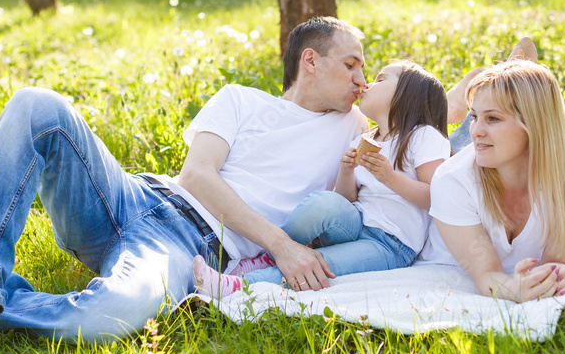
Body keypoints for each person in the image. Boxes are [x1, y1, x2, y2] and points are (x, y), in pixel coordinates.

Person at [0, 17, 368, 354]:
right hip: (135, 198)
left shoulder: (354, 129)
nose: (361, 80)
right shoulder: (240, 99)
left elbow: (418, 123)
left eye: (366, 72)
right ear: (311, 59)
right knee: (37, 104)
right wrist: (283, 247)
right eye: (351, 64)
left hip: (189, 249)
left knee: (113, 313)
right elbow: (199, 176)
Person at [192, 60, 451, 297]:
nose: (367, 83)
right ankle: (272, 254)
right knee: (322, 203)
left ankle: (239, 287)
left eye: (382, 80)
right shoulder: (366, 139)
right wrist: (347, 171)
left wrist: (390, 178)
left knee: (321, 265)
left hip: (390, 243)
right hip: (356, 222)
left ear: (408, 95)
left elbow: (438, 197)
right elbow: (345, 200)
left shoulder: (424, 136)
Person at [419, 56, 565, 303]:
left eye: (493, 118)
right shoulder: (452, 181)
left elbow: (560, 264)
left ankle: (520, 61)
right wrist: (514, 290)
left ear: (534, 124)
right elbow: (486, 274)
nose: (476, 130)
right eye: (473, 117)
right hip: (448, 265)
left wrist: (541, 282)